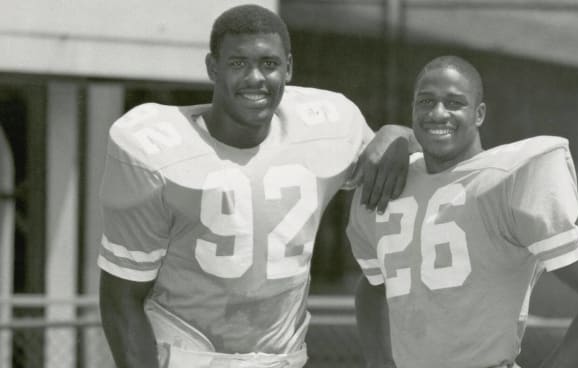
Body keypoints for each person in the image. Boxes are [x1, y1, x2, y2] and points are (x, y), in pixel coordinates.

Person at [98, 4, 417, 368]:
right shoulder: (154, 148)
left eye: (269, 64)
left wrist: (399, 135)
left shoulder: (330, 126)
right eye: (237, 64)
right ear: (212, 68)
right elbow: (120, 298)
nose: (255, 77)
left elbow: (396, 161)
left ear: (289, 68)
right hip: (186, 355)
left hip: (284, 360)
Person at [346, 55, 578, 368]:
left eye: (455, 103)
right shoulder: (391, 180)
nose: (438, 112)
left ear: (479, 113)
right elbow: (372, 286)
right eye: (426, 101)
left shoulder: (504, 179)